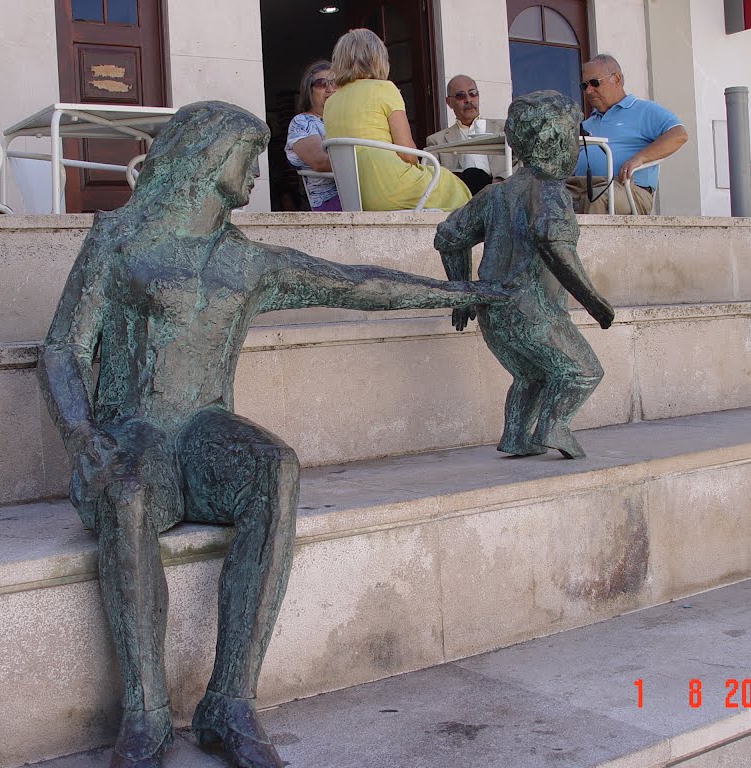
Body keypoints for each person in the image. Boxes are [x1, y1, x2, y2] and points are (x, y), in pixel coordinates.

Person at [38, 100, 508, 768]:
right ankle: (143, 714)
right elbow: (61, 350)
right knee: (132, 493)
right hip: (130, 432)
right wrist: (81, 433)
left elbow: (354, 284)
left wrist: (470, 295)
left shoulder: (247, 262)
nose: (257, 171)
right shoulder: (120, 240)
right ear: (207, 156)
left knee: (274, 467)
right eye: (246, 155)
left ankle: (228, 702)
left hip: (202, 433)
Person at [435, 90, 615, 459]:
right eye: (574, 137)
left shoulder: (495, 193)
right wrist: (596, 303)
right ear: (557, 141)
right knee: (583, 372)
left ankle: (517, 436)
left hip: (494, 312)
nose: (576, 148)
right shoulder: (550, 191)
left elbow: (448, 236)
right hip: (533, 310)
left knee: (532, 375)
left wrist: (462, 291)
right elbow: (553, 241)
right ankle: (554, 425)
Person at [323, 28, 471, 211]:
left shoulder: (330, 103)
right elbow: (408, 154)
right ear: (378, 58)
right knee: (453, 186)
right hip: (393, 188)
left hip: (356, 197)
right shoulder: (384, 89)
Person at [568, 53, 689, 215]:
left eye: (595, 83)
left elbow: (679, 135)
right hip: (582, 185)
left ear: (616, 79)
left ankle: (591, 242)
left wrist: (639, 158)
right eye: (584, 86)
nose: (589, 91)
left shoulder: (643, 110)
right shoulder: (585, 124)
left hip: (627, 189)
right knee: (545, 198)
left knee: (596, 198)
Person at [426, 74, 513, 195]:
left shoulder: (503, 128)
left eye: (473, 93)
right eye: (460, 95)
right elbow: (431, 177)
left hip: (502, 191)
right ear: (449, 102)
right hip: (463, 196)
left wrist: (500, 180)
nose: (468, 99)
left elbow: (523, 162)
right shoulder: (437, 140)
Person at [285, 60, 341, 211]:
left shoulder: (345, 120)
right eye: (322, 83)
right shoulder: (302, 122)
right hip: (332, 200)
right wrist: (367, 165)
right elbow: (320, 162)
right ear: (309, 90)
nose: (330, 89)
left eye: (335, 82)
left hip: (360, 193)